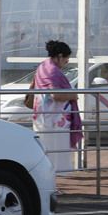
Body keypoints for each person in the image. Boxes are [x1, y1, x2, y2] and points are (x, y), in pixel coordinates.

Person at [31, 40, 82, 174]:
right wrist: (73, 96)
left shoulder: (43, 66)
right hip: (54, 121)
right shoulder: (53, 71)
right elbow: (56, 95)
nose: (67, 61)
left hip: (43, 117)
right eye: (66, 58)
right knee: (55, 156)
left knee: (46, 153)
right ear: (59, 56)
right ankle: (52, 184)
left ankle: (50, 182)